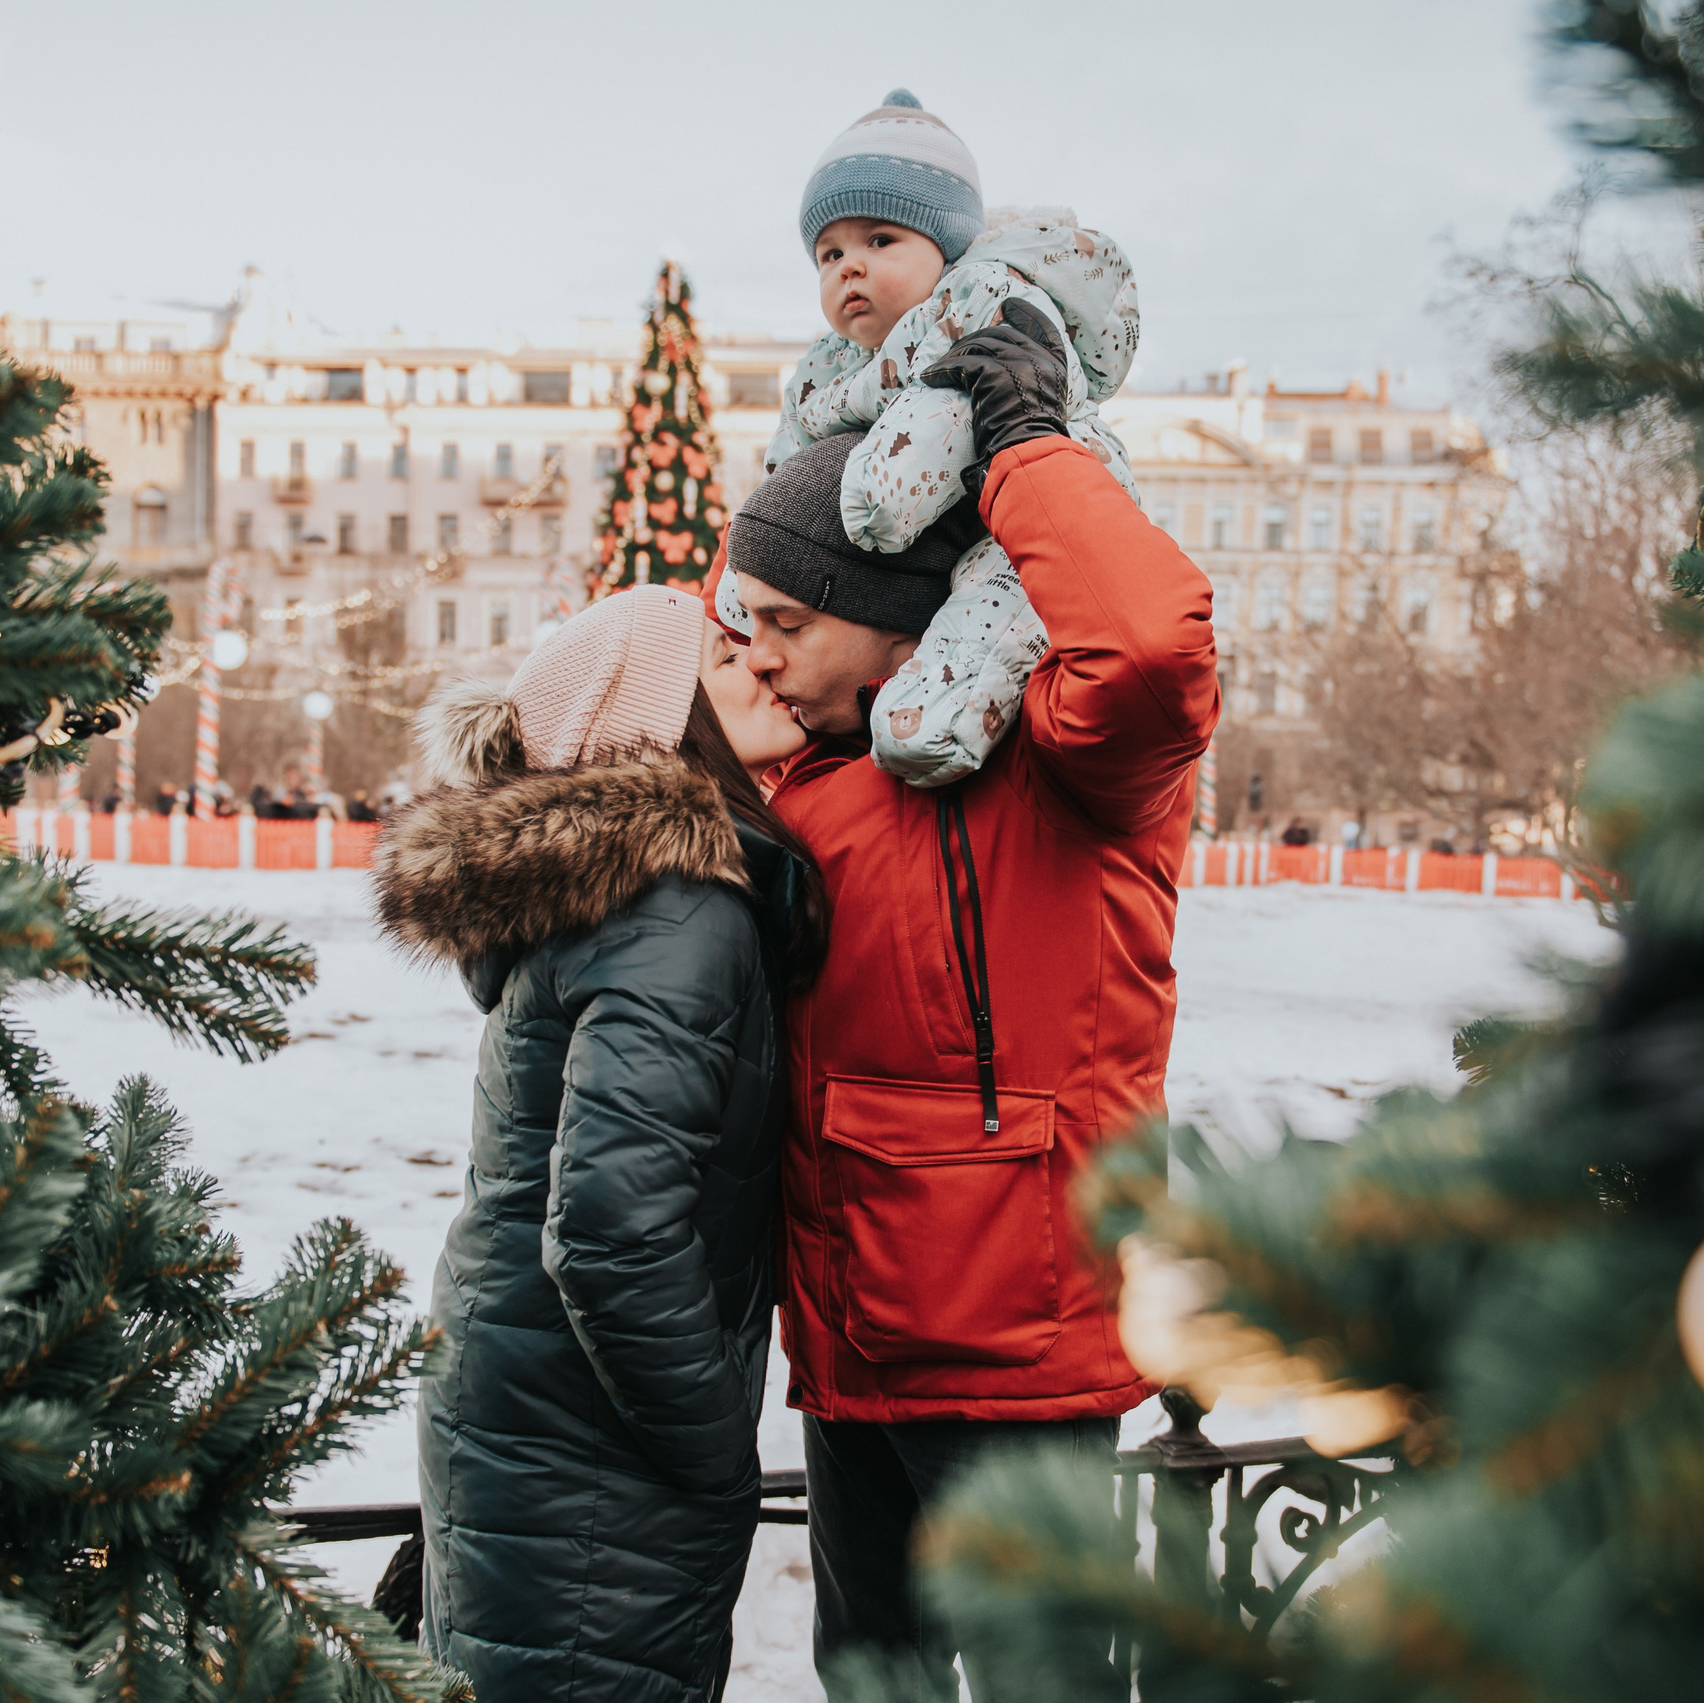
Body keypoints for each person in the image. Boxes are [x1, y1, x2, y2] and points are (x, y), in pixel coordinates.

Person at [730, 308, 1218, 1694]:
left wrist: (1029, 452)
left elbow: (1147, 646)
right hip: (851, 1343)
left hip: (1016, 1351)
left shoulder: (1066, 764)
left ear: (893, 621)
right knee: (869, 1680)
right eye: (746, 624)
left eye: (785, 622)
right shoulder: (807, 775)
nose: (756, 653)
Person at [375, 585, 826, 1703]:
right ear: (658, 721)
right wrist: (710, 1447)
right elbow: (611, 1227)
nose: (762, 667)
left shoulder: (615, 898)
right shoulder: (678, 910)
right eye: (724, 659)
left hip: (531, 1405)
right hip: (590, 1446)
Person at [722, 90, 1141, 791]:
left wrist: (866, 495)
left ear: (947, 249)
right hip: (912, 544)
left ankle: (937, 719)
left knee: (995, 609)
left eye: (879, 241)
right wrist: (761, 569)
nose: (848, 266)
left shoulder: (980, 308)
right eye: (829, 253)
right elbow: (787, 469)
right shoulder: (827, 367)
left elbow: (896, 488)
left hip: (1014, 513)